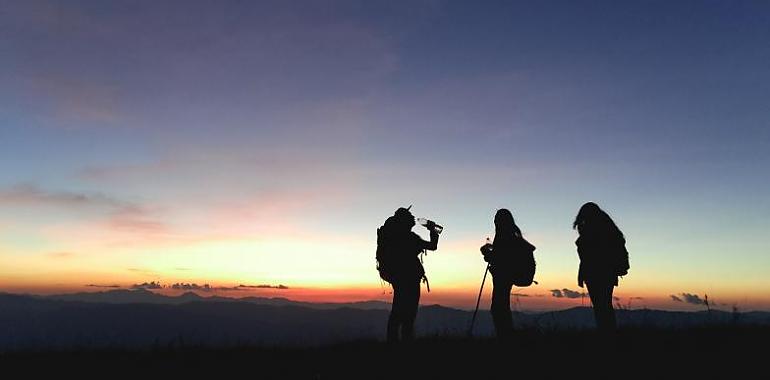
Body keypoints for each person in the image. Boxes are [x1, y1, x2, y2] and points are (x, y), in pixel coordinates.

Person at [377, 206, 440, 343]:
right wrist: (433, 229)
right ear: (404, 221)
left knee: (398, 310)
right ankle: (406, 341)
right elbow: (432, 246)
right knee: (409, 313)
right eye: (410, 218)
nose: (413, 220)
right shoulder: (408, 238)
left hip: (399, 278)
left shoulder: (395, 237)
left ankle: (393, 341)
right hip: (409, 279)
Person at [573, 202, 629, 333]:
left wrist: (582, 275)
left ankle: (606, 333)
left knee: (600, 306)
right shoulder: (608, 230)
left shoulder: (592, 232)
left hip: (596, 273)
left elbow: (588, 257)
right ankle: (608, 333)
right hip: (607, 273)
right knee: (604, 304)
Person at [480, 209, 535, 340]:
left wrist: (487, 254)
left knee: (498, 307)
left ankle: (506, 337)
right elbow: (502, 258)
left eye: (496, 220)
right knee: (500, 306)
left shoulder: (504, 238)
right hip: (508, 276)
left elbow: (501, 259)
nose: (495, 222)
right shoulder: (511, 237)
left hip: (505, 276)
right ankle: (507, 336)